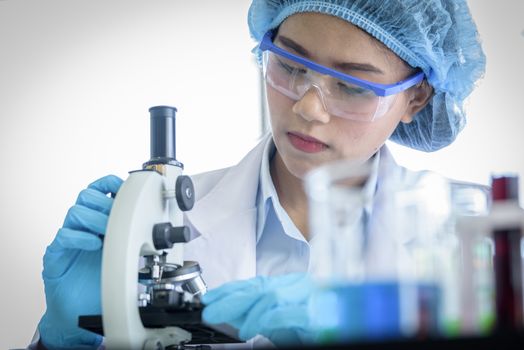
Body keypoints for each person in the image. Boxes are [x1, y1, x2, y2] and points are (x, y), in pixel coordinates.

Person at [32, 0, 486, 349]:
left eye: (351, 85)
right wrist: (65, 336)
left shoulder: (480, 241)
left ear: (416, 99)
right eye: (289, 65)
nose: (308, 107)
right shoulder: (153, 233)